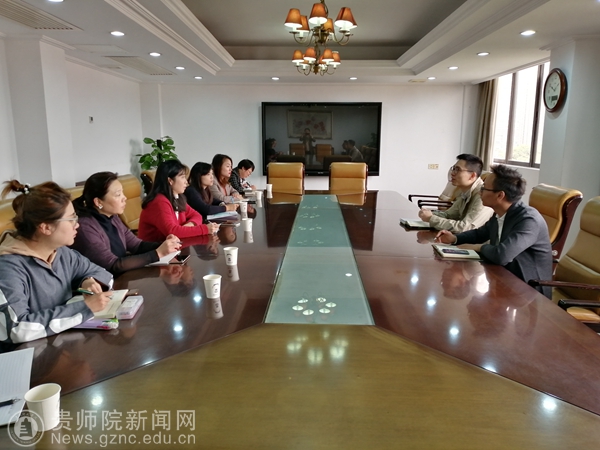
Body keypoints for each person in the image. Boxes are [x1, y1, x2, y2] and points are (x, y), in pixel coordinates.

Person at [0, 180, 113, 344]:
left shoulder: (61, 252)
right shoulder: (8, 268)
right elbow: (17, 329)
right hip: (27, 355)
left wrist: (88, 281)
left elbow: (103, 273)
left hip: (59, 345)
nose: (77, 224)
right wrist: (85, 307)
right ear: (46, 227)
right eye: (71, 218)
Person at [435, 164, 553, 298]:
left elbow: (502, 255)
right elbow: (480, 233)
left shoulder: (529, 220)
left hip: (529, 292)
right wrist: (455, 238)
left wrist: (478, 247)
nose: (480, 192)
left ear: (500, 195)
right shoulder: (501, 212)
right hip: (504, 279)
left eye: (484, 188)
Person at [71, 172, 181, 275]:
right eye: (118, 194)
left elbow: (137, 245)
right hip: (104, 284)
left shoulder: (112, 217)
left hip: (123, 278)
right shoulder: (85, 227)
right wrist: (158, 253)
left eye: (122, 192)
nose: (124, 198)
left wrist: (165, 244)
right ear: (98, 202)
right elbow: (113, 265)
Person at [138, 159, 219, 241]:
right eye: (182, 177)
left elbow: (197, 216)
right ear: (170, 181)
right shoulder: (159, 201)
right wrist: (205, 229)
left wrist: (185, 228)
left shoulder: (178, 197)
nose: (186, 182)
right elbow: (172, 232)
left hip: (173, 245)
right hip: (156, 247)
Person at [418, 154, 493, 232]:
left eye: (458, 170)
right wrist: (429, 213)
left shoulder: (483, 195)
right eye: (453, 169)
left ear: (472, 176)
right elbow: (449, 215)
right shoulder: (465, 191)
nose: (452, 173)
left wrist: (431, 218)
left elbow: (465, 227)